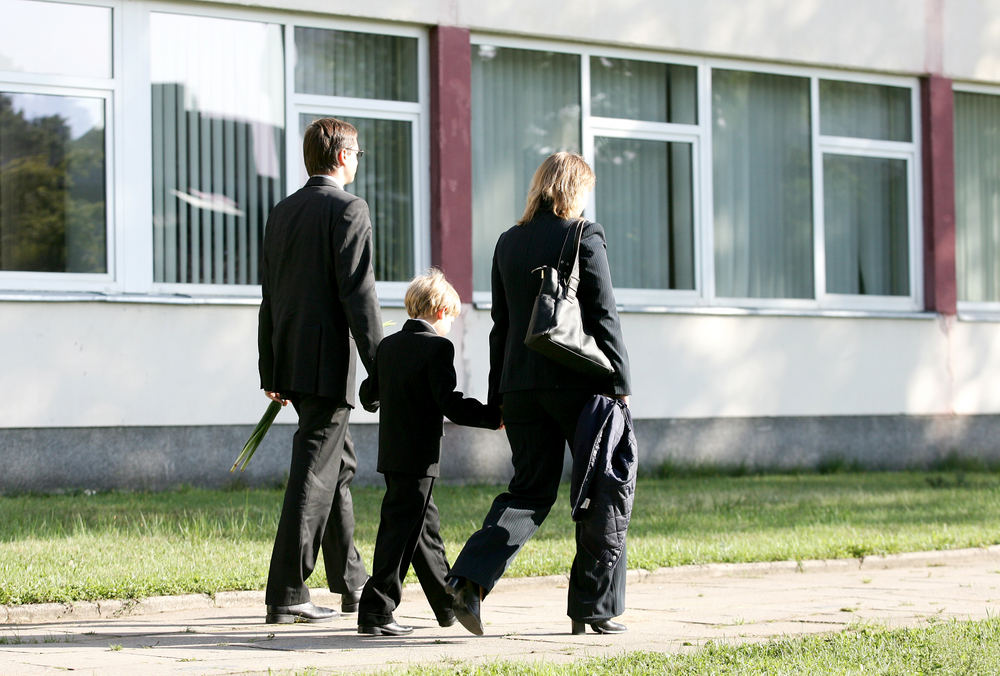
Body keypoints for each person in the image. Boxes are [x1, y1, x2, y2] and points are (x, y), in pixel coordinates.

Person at [447, 152, 632, 636]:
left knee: (529, 491)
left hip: (520, 388)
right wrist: (621, 384)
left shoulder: (508, 242)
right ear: (575, 189)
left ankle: (469, 579)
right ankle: (594, 609)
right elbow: (603, 315)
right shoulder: (584, 234)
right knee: (601, 491)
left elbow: (500, 327)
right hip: (580, 388)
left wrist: (497, 399)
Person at [257, 117, 382, 624]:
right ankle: (287, 590)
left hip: (289, 359)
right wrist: (382, 366)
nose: (358, 160)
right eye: (358, 153)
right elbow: (360, 295)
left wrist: (270, 367)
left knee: (338, 468)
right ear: (343, 156)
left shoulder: (282, 211)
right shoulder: (349, 208)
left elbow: (270, 295)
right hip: (326, 363)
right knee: (314, 471)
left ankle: (352, 582)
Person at [356, 269, 503, 636]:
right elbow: (449, 403)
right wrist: (491, 417)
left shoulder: (388, 346)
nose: (452, 324)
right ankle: (376, 608)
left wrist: (383, 393)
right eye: (452, 316)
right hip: (420, 454)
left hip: (392, 453)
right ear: (440, 311)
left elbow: (367, 394)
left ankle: (447, 603)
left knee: (423, 530)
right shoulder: (438, 348)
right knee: (399, 532)